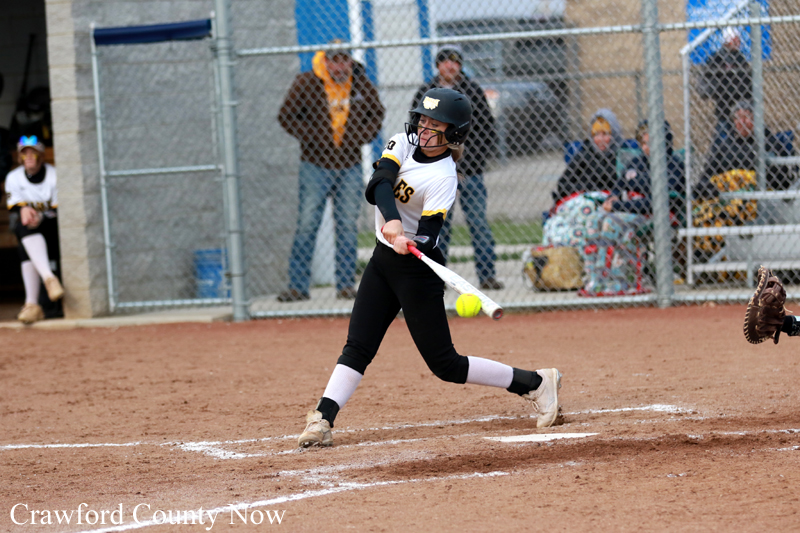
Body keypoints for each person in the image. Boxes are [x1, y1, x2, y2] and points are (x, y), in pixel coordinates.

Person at [297, 88, 562, 448]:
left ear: (454, 133)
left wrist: (411, 242)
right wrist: (392, 222)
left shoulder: (444, 177)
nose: (423, 128)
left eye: (435, 124)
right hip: (383, 260)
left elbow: (429, 233)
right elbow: (379, 183)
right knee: (358, 345)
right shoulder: (402, 142)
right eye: (423, 119)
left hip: (417, 272)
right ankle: (323, 418)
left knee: (446, 365)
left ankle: (536, 383)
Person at [277, 43, 385, 302]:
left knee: (347, 226)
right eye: (334, 61)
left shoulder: (360, 83)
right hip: (314, 165)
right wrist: (314, 138)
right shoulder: (307, 82)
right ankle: (298, 287)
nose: (339, 67)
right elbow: (286, 116)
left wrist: (358, 137)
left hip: (349, 165)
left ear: (350, 62)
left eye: (344, 61)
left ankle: (346, 285)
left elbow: (377, 114)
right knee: (307, 224)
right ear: (325, 62)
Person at [410, 45, 503, 290]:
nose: (450, 66)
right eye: (444, 61)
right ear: (438, 66)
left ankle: (487, 276)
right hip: (438, 174)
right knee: (438, 227)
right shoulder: (427, 93)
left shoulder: (472, 91)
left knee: (478, 224)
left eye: (455, 62)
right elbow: (416, 129)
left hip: (470, 172)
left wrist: (469, 162)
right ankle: (437, 278)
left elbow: (487, 130)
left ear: (460, 66)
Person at [5, 135, 64, 324]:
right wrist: (25, 210)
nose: (29, 156)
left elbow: (58, 210)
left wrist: (41, 216)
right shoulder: (14, 177)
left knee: (26, 237)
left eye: (33, 152)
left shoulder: (54, 175)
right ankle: (49, 279)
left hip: (53, 227)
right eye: (25, 153)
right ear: (19, 157)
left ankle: (31, 304)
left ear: (41, 155)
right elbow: (16, 207)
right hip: (30, 229)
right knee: (23, 227)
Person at [695, 100, 793, 199]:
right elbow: (705, 176)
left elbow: (783, 181)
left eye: (747, 117)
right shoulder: (724, 147)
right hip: (731, 200)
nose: (743, 122)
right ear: (734, 121)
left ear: (756, 120)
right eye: (738, 118)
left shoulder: (770, 143)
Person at [613, 120, 686, 219]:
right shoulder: (637, 162)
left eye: (650, 143)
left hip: (659, 217)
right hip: (628, 211)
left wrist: (636, 179)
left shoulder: (675, 167)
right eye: (643, 143)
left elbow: (657, 201)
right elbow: (618, 186)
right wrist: (613, 197)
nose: (645, 148)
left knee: (609, 222)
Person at [552, 108, 623, 206]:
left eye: (605, 134)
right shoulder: (584, 155)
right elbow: (563, 184)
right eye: (596, 134)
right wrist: (590, 188)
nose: (600, 139)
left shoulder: (621, 155)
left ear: (614, 135)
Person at [697, 27, 752, 140]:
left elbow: (747, 82)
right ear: (728, 41)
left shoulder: (740, 59)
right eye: (735, 40)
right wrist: (717, 89)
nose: (738, 43)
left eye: (738, 40)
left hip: (740, 105)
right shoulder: (717, 59)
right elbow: (707, 82)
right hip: (724, 105)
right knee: (723, 135)